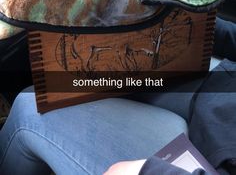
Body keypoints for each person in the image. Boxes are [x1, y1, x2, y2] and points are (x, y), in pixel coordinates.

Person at [0, 17, 235, 175]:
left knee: (28, 108)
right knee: (70, 83)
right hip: (221, 92)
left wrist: (149, 170)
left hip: (206, 162)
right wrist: (194, 17)